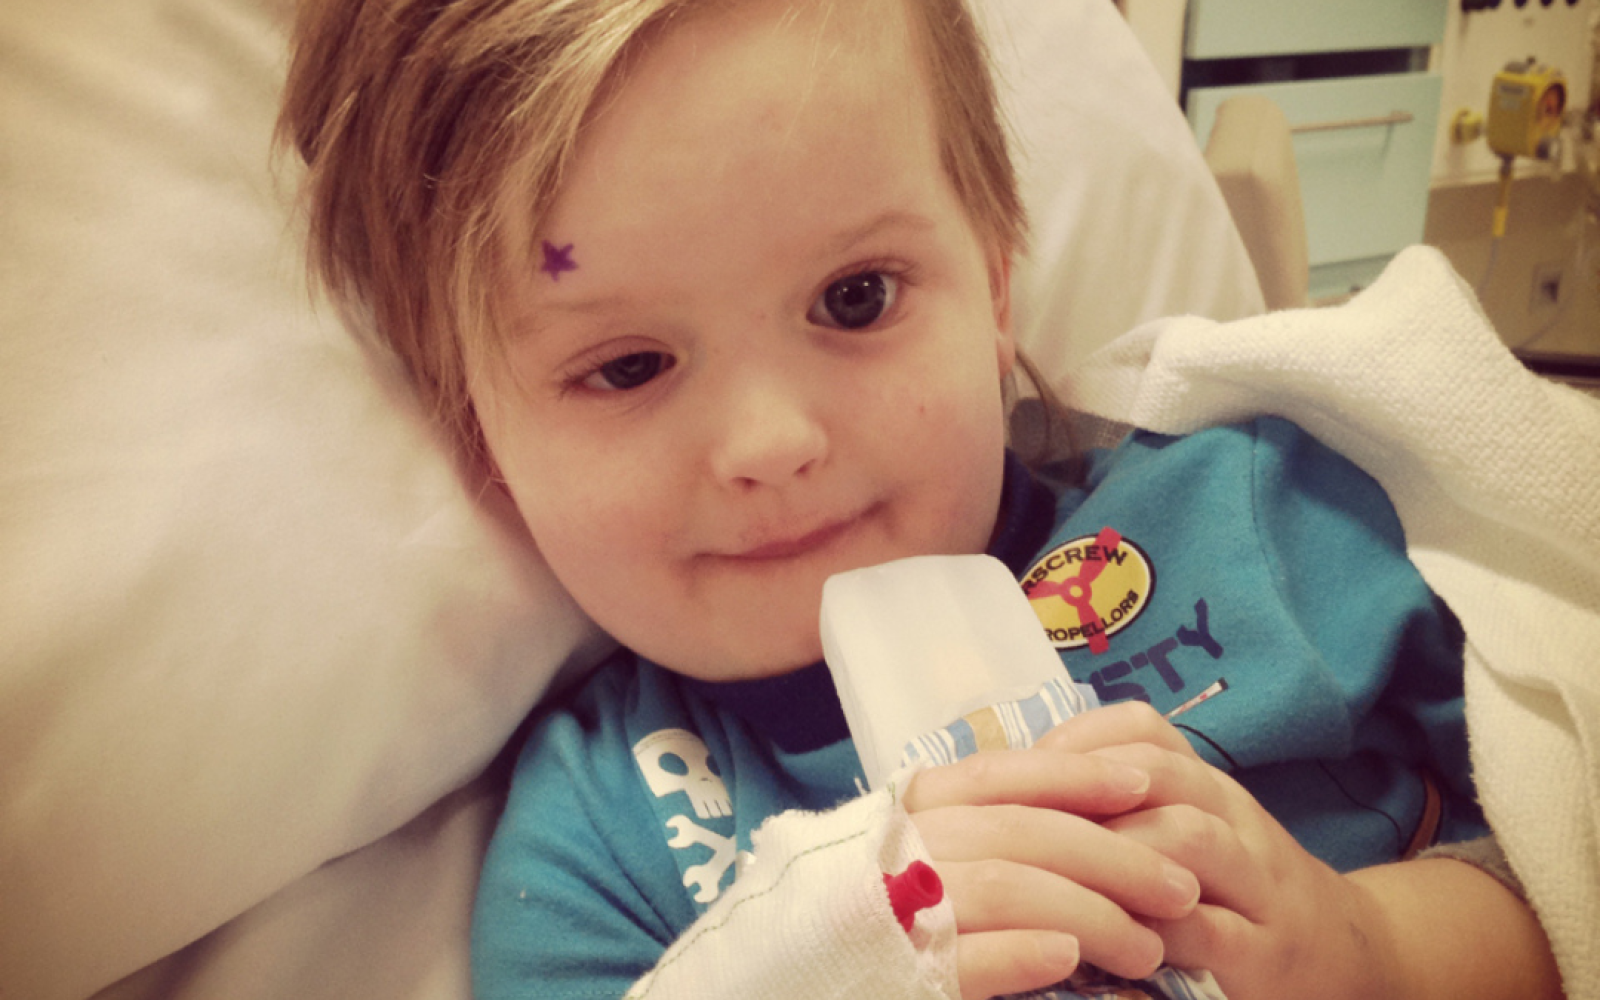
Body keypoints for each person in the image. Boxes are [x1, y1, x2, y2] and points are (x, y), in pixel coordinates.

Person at [277, 0, 1563, 998]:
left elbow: (1566, 865)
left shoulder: (1259, 520)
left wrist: (1371, 952)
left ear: (996, 294)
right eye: (626, 366)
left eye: (856, 298)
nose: (772, 443)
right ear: (480, 436)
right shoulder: (603, 838)